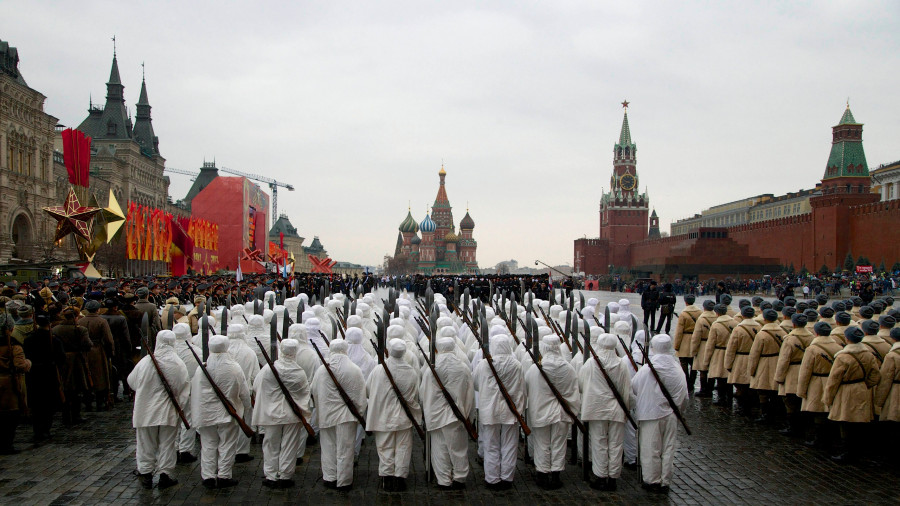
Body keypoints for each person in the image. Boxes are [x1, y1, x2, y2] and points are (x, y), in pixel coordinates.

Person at [127, 330, 189, 489]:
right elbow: (184, 389)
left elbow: (131, 382)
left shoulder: (146, 362)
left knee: (145, 443)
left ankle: (145, 472)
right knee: (167, 444)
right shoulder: (178, 364)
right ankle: (164, 474)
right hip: (168, 412)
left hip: (145, 410)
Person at [191, 335, 252, 489]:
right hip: (228, 414)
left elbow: (195, 391)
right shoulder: (234, 367)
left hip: (206, 413)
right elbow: (244, 392)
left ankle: (208, 476)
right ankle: (224, 475)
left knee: (208, 445)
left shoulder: (201, 368)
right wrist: (247, 407)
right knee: (227, 445)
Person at [631, 334, 688, 493]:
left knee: (651, 448)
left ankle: (652, 479)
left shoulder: (648, 368)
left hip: (651, 413)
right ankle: (665, 480)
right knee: (668, 448)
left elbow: (634, 386)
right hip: (672, 414)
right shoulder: (677, 368)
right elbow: (684, 392)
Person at [253, 338, 311, 489]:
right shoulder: (299, 372)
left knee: (271, 444)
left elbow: (255, 387)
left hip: (271, 413)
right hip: (292, 414)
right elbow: (305, 392)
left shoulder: (267, 369)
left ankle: (271, 475)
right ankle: (285, 475)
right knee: (290, 445)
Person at [366, 338, 422, 492]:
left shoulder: (378, 370)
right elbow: (415, 394)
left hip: (383, 416)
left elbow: (369, 390)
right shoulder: (411, 372)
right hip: (404, 417)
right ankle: (400, 477)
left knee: (385, 447)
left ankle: (387, 476)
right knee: (403, 447)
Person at [525, 335, 580, 490]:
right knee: (558, 444)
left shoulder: (536, 368)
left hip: (541, 411)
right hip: (562, 412)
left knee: (542, 443)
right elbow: (574, 389)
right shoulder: (568, 368)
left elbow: (527, 386)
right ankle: (556, 474)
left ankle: (542, 474)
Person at [311, 339, 367, 491]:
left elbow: (314, 391)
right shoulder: (354, 369)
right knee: (346, 449)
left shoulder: (322, 370)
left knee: (328, 447)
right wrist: (359, 413)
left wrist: (321, 408)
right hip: (347, 416)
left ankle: (330, 477)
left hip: (327, 414)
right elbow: (360, 395)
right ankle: (344, 480)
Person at [420, 336, 474, 490]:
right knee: (458, 449)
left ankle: (443, 479)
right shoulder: (463, 367)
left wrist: (426, 412)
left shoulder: (432, 369)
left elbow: (423, 392)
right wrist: (468, 415)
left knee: (439, 449)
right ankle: (459, 477)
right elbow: (470, 394)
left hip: (436, 415)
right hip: (457, 416)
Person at [579, 333, 631, 491]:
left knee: (599, 442)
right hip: (617, 409)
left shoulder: (590, 363)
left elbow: (581, 384)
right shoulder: (621, 364)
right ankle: (613, 477)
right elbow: (626, 389)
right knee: (616, 444)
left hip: (597, 408)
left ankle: (601, 476)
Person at [473, 334, 525, 491]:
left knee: (491, 444)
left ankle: (492, 478)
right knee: (509, 444)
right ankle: (507, 477)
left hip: (490, 409)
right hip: (511, 410)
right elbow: (522, 387)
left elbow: (476, 384)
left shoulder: (484, 365)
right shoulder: (517, 365)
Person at [823, 326, 881, 463]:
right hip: (861, 388)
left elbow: (833, 380)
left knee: (845, 421)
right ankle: (859, 449)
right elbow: (876, 375)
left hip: (846, 390)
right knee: (859, 420)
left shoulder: (843, 356)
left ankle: (846, 452)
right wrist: (865, 384)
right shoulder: (868, 354)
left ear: (847, 339)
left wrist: (828, 398)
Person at [796, 321, 842, 448]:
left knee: (818, 411)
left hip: (816, 381)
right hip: (833, 380)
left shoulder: (812, 349)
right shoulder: (838, 347)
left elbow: (805, 371)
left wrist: (801, 391)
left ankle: (819, 439)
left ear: (816, 333)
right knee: (830, 409)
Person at [23, 314, 65, 445]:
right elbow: (61, 358)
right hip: (49, 372)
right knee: (48, 402)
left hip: (33, 373)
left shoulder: (29, 338)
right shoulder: (54, 339)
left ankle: (37, 430)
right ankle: (45, 429)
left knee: (36, 403)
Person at [748, 309, 787, 424]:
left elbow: (754, 354)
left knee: (763, 391)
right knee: (775, 390)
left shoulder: (762, 334)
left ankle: (765, 414)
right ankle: (777, 412)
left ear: (764, 319)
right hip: (778, 361)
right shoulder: (783, 332)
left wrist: (751, 370)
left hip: (764, 363)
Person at [78, 300, 115, 411]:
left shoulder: (80, 321)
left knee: (86, 375)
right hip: (98, 350)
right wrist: (111, 352)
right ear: (98, 309)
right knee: (100, 377)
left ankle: (88, 402)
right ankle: (100, 402)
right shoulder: (101, 321)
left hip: (84, 351)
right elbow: (108, 339)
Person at [724, 306, 761, 416]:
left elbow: (731, 348)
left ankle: (742, 407)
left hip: (740, 359)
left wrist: (728, 364)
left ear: (743, 315)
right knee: (751, 384)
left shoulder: (738, 329)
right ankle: (752, 405)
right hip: (755, 358)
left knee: (740, 385)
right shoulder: (759, 327)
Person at [0, 323, 31, 454]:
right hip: (9, 383)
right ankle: (6, 444)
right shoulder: (14, 346)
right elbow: (20, 365)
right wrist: (28, 363)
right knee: (11, 415)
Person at [172, 323, 199, 463]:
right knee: (189, 419)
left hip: (171, 391)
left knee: (173, 420)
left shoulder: (170, 351)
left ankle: (174, 448)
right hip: (189, 390)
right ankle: (185, 450)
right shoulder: (197, 352)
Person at [701, 304, 736, 406]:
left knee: (720, 376)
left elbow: (710, 344)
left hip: (719, 352)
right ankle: (729, 398)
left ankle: (722, 398)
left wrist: (706, 360)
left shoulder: (716, 325)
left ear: (716, 313)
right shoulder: (735, 322)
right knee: (728, 377)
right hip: (731, 352)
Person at [689, 300, 717, 397]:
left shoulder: (701, 319)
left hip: (703, 345)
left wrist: (693, 351)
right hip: (715, 346)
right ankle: (710, 388)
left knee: (703, 369)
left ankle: (704, 389)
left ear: (704, 307)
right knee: (712, 368)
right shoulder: (718, 317)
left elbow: (696, 337)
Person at [673, 295, 701, 387]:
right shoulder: (700, 312)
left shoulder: (683, 314)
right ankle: (692, 382)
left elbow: (679, 332)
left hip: (685, 339)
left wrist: (676, 345)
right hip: (696, 339)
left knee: (684, 362)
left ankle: (686, 382)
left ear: (685, 302)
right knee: (694, 363)